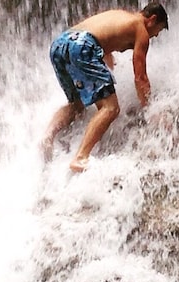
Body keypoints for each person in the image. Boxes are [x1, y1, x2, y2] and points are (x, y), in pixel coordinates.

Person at [42, 2, 168, 172]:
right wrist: (149, 109)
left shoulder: (120, 16)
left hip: (60, 45)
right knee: (111, 108)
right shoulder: (141, 30)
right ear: (152, 19)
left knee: (77, 104)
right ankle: (80, 157)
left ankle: (47, 137)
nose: (156, 36)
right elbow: (140, 77)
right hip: (82, 46)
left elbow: (100, 38)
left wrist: (106, 65)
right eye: (158, 31)